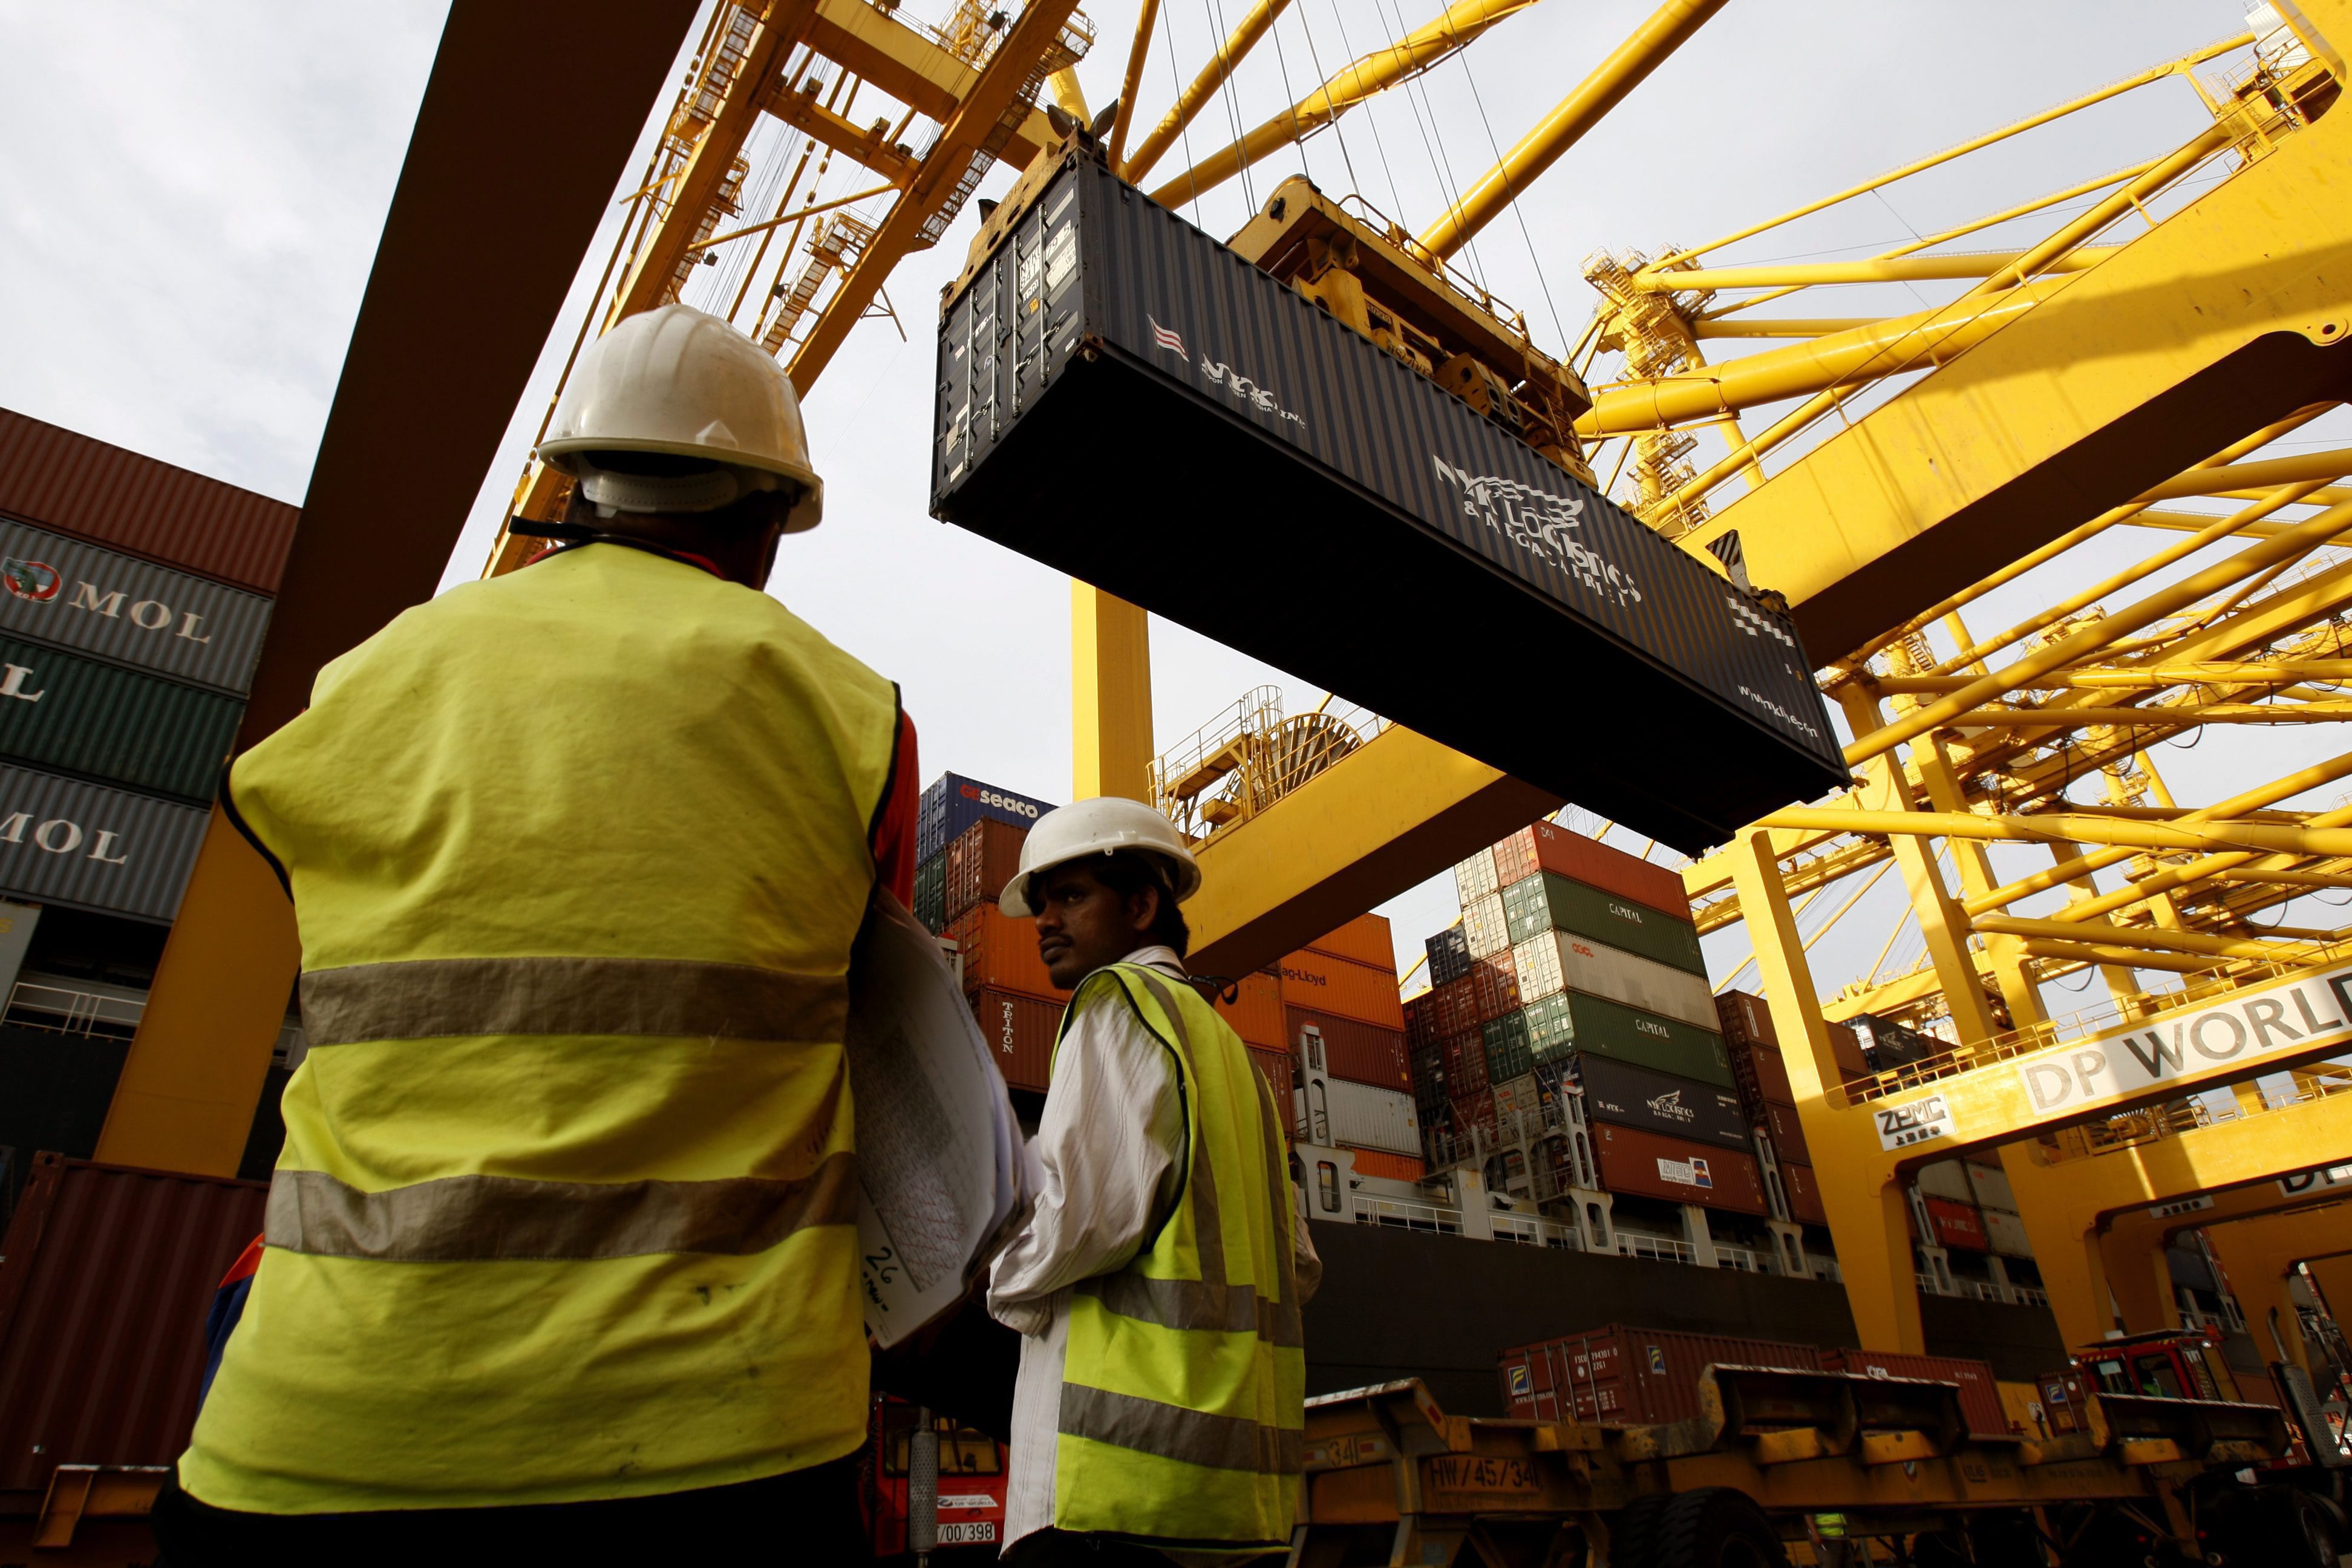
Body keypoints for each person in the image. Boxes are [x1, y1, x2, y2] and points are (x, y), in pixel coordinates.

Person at [153, 304, 916, 1563]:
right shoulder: (851, 712)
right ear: (766, 513)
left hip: (323, 1423)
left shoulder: (375, 674)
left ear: (578, 481)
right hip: (726, 1436)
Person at [986, 799, 1319, 1566]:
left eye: (1070, 897)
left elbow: (1081, 1221)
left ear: (1140, 905)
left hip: (1107, 1498)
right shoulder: (1234, 1058)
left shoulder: (1117, 1008)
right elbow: (1296, 1266)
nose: (1043, 921)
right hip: (1231, 1508)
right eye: (1040, 904)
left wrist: (989, 1272)